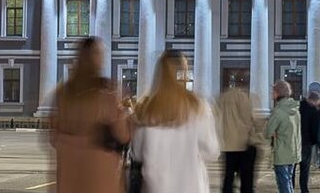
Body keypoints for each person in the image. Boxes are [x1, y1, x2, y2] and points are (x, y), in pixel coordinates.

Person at [129, 52, 219, 193]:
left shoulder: (145, 109)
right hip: (192, 187)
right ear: (183, 74)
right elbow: (212, 151)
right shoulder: (198, 107)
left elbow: (138, 153)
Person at [50, 36, 129, 193]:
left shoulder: (63, 93)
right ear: (95, 57)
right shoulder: (106, 93)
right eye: (99, 53)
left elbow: (53, 136)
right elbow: (123, 135)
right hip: (100, 172)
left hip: (70, 173)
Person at [216, 81, 258, 193]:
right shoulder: (244, 97)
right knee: (246, 180)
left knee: (228, 178)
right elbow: (248, 119)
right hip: (244, 144)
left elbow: (217, 118)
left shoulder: (222, 98)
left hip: (228, 144)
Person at [263, 80, 302, 193]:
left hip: (281, 152)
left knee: (283, 184)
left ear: (278, 92)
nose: (271, 93)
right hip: (294, 151)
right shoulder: (295, 110)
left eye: (273, 91)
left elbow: (267, 133)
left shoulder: (278, 111)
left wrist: (273, 132)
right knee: (288, 181)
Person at [298, 85, 320, 193]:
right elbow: (315, 128)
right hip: (307, 142)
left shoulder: (299, 107)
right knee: (304, 167)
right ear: (314, 100)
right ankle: (304, 189)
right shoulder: (314, 111)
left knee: (293, 166)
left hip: (295, 140)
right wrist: (316, 141)